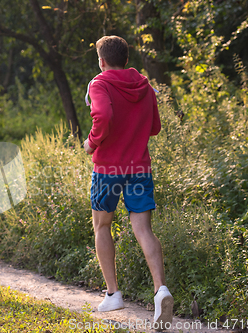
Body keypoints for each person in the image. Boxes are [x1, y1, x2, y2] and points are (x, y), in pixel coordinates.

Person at [83, 36, 174, 330]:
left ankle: (113, 294)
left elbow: (104, 115)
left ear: (102, 61)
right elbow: (155, 127)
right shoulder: (144, 85)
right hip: (138, 168)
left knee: (102, 225)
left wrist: (92, 142)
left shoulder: (99, 83)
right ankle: (161, 290)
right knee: (143, 228)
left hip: (108, 169)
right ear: (126, 59)